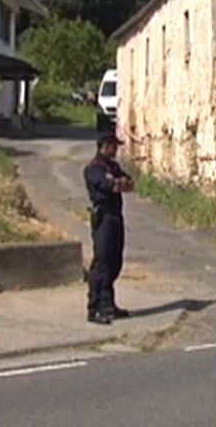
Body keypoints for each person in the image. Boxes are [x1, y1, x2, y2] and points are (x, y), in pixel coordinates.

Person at [84, 133, 135, 325]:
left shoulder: (112, 167)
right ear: (105, 146)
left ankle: (108, 304)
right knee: (102, 263)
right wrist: (117, 183)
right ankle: (94, 307)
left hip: (115, 217)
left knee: (115, 262)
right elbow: (110, 185)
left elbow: (129, 183)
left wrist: (120, 183)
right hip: (103, 217)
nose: (116, 150)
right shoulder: (94, 168)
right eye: (114, 146)